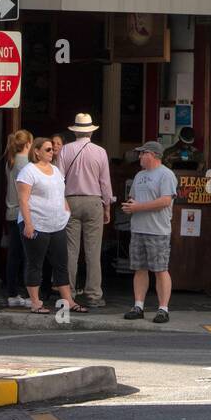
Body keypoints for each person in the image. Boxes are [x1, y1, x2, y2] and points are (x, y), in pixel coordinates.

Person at [16, 138, 84, 315]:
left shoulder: (55, 170)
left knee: (61, 263)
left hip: (57, 224)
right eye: (47, 149)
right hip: (37, 224)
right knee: (35, 264)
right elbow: (23, 200)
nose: (51, 152)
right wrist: (28, 224)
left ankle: (68, 300)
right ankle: (35, 302)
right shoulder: (28, 171)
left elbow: (60, 193)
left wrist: (66, 211)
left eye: (52, 150)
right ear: (36, 151)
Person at [57, 113, 114, 309]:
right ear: (90, 131)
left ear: (75, 131)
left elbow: (58, 180)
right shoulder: (100, 152)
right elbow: (105, 183)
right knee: (93, 251)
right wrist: (107, 206)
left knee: (70, 251)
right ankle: (94, 294)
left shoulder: (65, 150)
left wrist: (60, 202)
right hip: (93, 201)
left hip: (70, 200)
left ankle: (69, 292)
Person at [121, 141, 178, 323]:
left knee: (161, 269)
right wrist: (130, 206)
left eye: (142, 153)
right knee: (139, 268)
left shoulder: (166, 175)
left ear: (153, 155)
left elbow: (165, 201)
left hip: (158, 230)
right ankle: (138, 305)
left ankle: (163, 308)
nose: (139, 157)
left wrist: (138, 207)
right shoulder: (139, 175)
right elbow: (133, 198)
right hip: (138, 228)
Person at [4, 129, 33, 308]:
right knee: (28, 256)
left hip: (11, 211)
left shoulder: (11, 161)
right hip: (22, 213)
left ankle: (12, 292)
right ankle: (24, 292)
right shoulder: (25, 164)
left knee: (14, 255)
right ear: (29, 144)